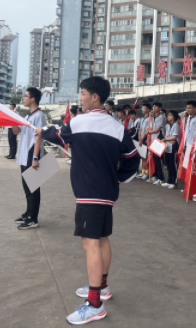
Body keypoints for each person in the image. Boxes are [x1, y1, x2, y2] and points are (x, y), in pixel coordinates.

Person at [38, 76, 139, 324]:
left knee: (90, 243)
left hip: (90, 193)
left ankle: (95, 304)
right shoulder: (118, 127)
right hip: (106, 192)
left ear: (95, 97)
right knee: (101, 239)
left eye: (82, 93)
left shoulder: (79, 122)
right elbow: (133, 158)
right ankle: (102, 288)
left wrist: (41, 131)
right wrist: (118, 178)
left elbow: (57, 135)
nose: (80, 98)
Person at [11, 88, 45, 230]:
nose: (23, 98)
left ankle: (33, 218)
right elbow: (16, 131)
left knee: (33, 187)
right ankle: (28, 212)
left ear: (33, 99)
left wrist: (35, 157)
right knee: (27, 187)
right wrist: (12, 118)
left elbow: (39, 136)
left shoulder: (39, 115)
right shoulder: (27, 117)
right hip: (24, 156)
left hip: (32, 155)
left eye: (26, 96)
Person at [148, 102, 166, 185]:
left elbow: (158, 129)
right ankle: (156, 176)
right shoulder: (152, 117)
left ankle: (161, 178)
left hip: (159, 139)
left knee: (158, 158)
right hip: (153, 139)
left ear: (160, 108)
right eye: (153, 106)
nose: (154, 107)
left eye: (156, 106)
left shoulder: (161, 117)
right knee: (154, 159)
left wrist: (149, 132)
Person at [162, 110, 180, 189]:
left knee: (173, 165)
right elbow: (166, 136)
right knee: (168, 164)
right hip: (168, 146)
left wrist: (167, 139)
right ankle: (169, 181)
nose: (168, 117)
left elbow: (174, 137)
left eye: (170, 115)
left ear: (174, 117)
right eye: (168, 115)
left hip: (173, 147)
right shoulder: (167, 125)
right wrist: (169, 139)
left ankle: (173, 182)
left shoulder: (176, 125)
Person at [138, 103, 152, 180]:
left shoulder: (150, 118)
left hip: (146, 139)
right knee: (143, 156)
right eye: (142, 108)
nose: (142, 109)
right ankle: (143, 172)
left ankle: (146, 172)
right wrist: (139, 137)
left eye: (144, 108)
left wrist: (142, 138)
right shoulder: (142, 119)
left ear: (148, 110)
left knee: (146, 157)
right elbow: (140, 129)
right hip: (142, 139)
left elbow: (147, 130)